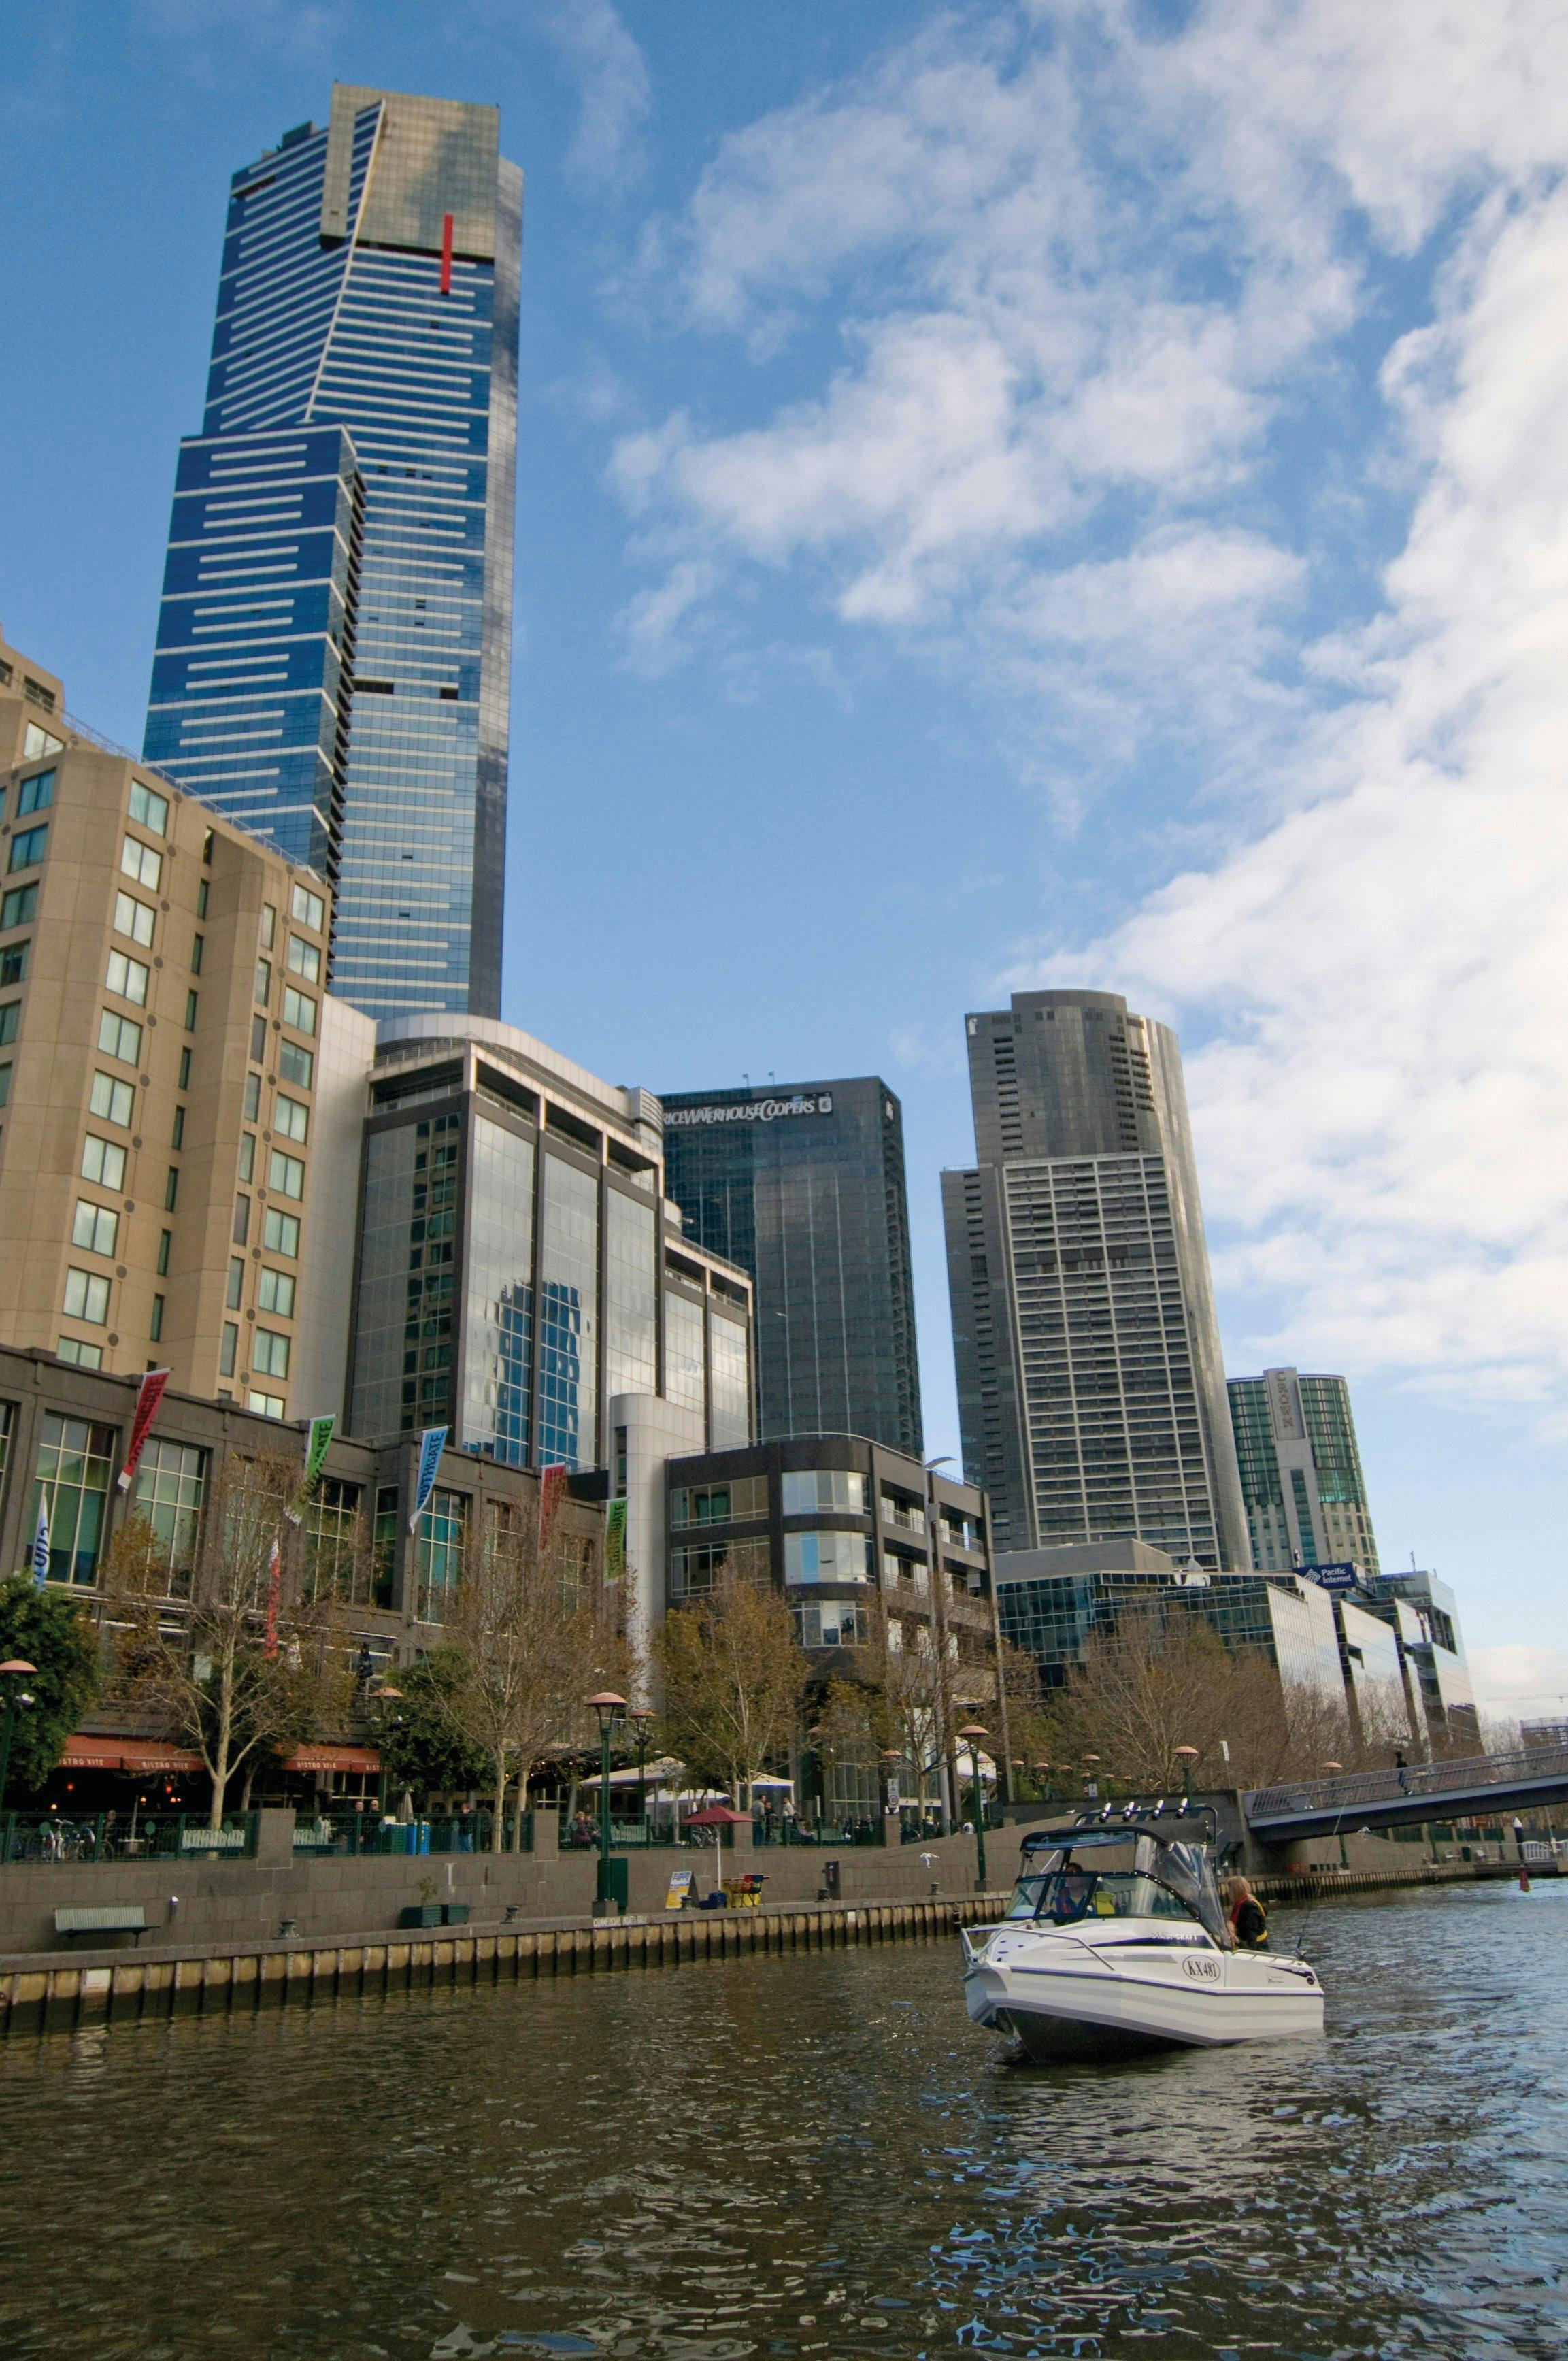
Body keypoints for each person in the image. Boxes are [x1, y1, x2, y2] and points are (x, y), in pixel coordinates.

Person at [1226, 1874, 1269, 1949]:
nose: (1228, 1893)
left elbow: (1252, 1938)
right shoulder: (1241, 1905)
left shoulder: (1249, 1908)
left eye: (1230, 1890)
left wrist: (1239, 1942)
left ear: (1236, 1891)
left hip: (1258, 1951)